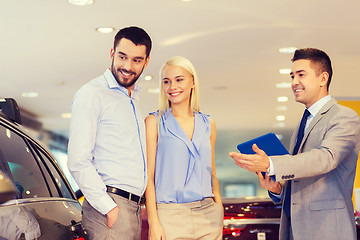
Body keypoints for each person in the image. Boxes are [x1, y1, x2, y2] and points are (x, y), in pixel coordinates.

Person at [229, 48, 360, 240]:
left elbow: (326, 158)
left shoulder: (345, 117)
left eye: (301, 75)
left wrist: (271, 164)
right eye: (292, 76)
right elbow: (302, 180)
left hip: (328, 230)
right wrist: (279, 189)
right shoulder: (302, 124)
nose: (294, 82)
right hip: (294, 230)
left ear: (323, 79)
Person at [67, 26, 152, 240]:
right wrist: (108, 208)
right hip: (109, 207)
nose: (128, 66)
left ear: (146, 61)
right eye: (122, 57)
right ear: (112, 53)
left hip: (132, 208)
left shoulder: (132, 99)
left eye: (136, 60)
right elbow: (78, 161)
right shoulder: (92, 94)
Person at [145, 56, 223, 240]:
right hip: (170, 217)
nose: (172, 87)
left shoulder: (208, 123)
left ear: (193, 82)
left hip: (208, 215)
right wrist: (153, 221)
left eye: (179, 79)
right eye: (166, 81)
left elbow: (211, 173)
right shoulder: (154, 122)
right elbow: (148, 177)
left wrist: (219, 208)